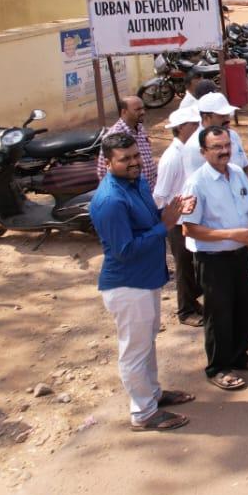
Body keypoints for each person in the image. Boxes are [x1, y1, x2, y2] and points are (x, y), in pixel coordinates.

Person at [91, 132, 196, 431]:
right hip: (127, 284)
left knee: (146, 343)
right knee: (135, 350)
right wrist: (164, 226)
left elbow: (147, 222)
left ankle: (152, 395)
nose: (134, 163)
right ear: (109, 163)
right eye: (125, 159)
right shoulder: (111, 200)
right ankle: (143, 412)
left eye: (136, 156)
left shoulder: (135, 183)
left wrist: (171, 212)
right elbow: (124, 250)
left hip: (146, 280)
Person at [181, 126, 248, 392]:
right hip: (212, 258)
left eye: (226, 145)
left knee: (244, 308)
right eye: (216, 147)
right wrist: (234, 233)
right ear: (203, 152)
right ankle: (218, 367)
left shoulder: (238, 173)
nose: (224, 151)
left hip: (239, 253)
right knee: (219, 314)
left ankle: (240, 355)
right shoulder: (196, 183)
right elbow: (189, 228)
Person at [153, 106, 204, 327]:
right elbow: (160, 195)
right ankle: (186, 310)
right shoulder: (172, 157)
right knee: (184, 266)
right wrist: (171, 214)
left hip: (191, 217)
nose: (198, 129)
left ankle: (194, 302)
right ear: (182, 128)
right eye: (194, 125)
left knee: (195, 265)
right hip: (177, 221)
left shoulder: (189, 152)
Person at [182, 91, 248, 180]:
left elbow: (246, 167)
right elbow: (195, 184)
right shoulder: (193, 147)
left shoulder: (233, 135)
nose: (227, 119)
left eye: (227, 114)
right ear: (206, 117)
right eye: (221, 116)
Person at [97, 96, 157, 188]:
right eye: (137, 109)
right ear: (124, 112)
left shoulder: (140, 128)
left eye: (143, 108)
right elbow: (102, 171)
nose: (143, 112)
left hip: (148, 189)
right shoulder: (114, 135)